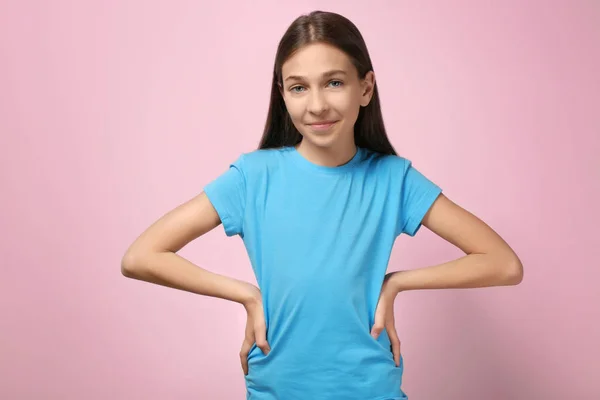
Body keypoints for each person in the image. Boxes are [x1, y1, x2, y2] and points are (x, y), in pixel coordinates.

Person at [120, 10, 524, 400]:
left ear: (365, 88)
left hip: (371, 388)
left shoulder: (394, 180)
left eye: (333, 83)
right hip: (276, 389)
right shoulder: (252, 178)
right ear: (283, 94)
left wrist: (397, 282)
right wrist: (246, 294)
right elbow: (141, 256)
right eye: (298, 87)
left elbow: (503, 263)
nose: (316, 105)